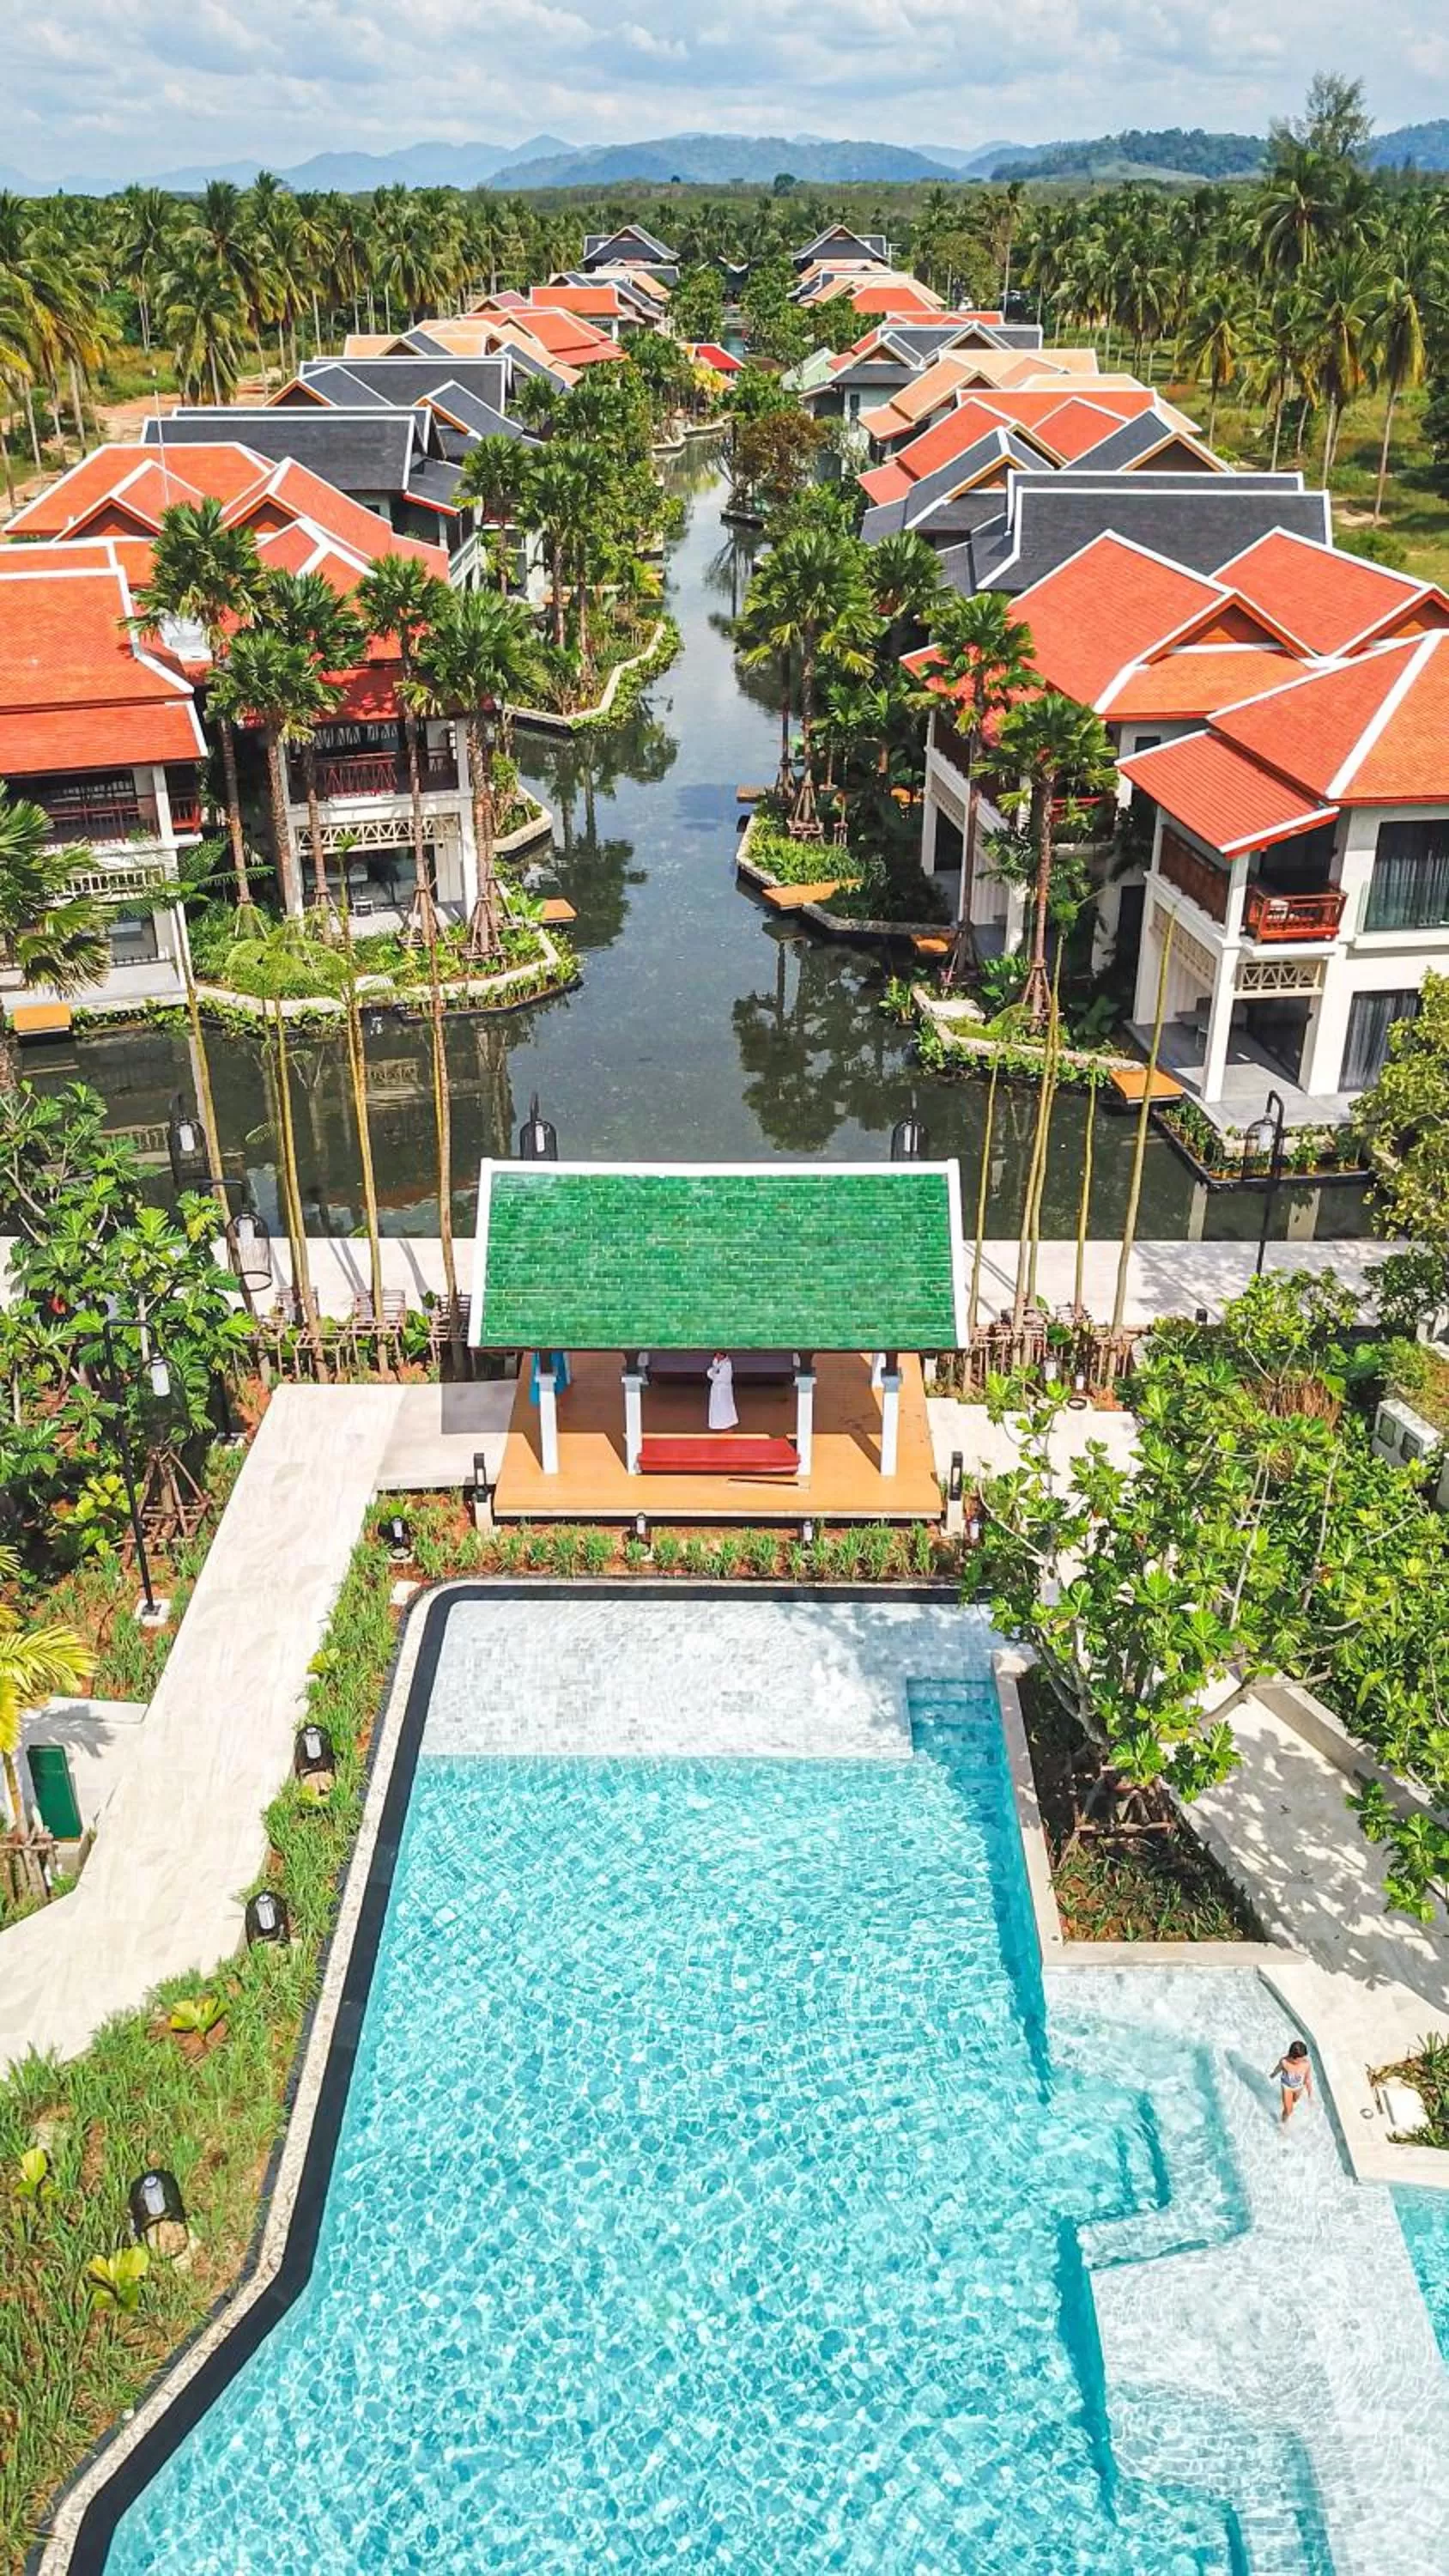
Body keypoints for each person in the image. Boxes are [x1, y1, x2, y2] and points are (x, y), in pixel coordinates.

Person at [1270, 2038, 1313, 2124]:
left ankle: (1287, 2103)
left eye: (1303, 2058)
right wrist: (1273, 2074)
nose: (1302, 2060)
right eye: (1300, 2059)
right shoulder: (1284, 2062)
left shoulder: (1306, 2064)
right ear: (1292, 2057)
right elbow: (1278, 2068)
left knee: (1294, 2101)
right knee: (1289, 2110)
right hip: (1287, 2087)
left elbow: (1307, 2079)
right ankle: (1283, 2124)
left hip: (1298, 2087)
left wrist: (1310, 2095)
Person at [706, 1351, 738, 1431]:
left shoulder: (727, 1364)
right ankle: (716, 1424)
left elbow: (721, 1377)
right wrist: (714, 1374)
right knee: (716, 1408)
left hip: (724, 1390)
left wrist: (714, 1375)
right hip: (716, 1390)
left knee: (725, 1407)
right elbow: (710, 1372)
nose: (717, 1356)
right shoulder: (716, 1362)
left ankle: (728, 1425)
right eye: (716, 1354)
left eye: (719, 1354)